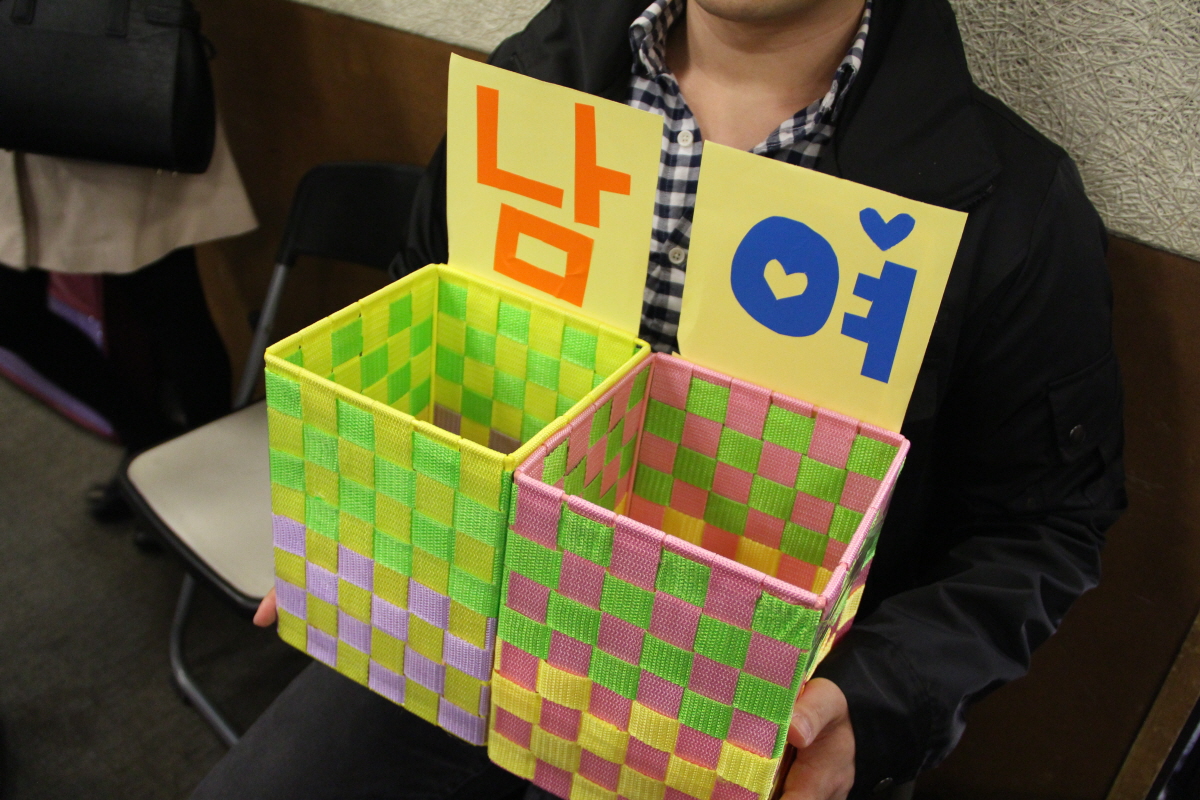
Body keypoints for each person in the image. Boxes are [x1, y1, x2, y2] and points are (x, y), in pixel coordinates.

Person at [199, 0, 1125, 798]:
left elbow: (1041, 526)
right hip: (456, 618)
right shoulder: (539, 76)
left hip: (728, 715)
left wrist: (876, 696)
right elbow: (426, 310)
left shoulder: (1010, 206)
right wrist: (360, 505)